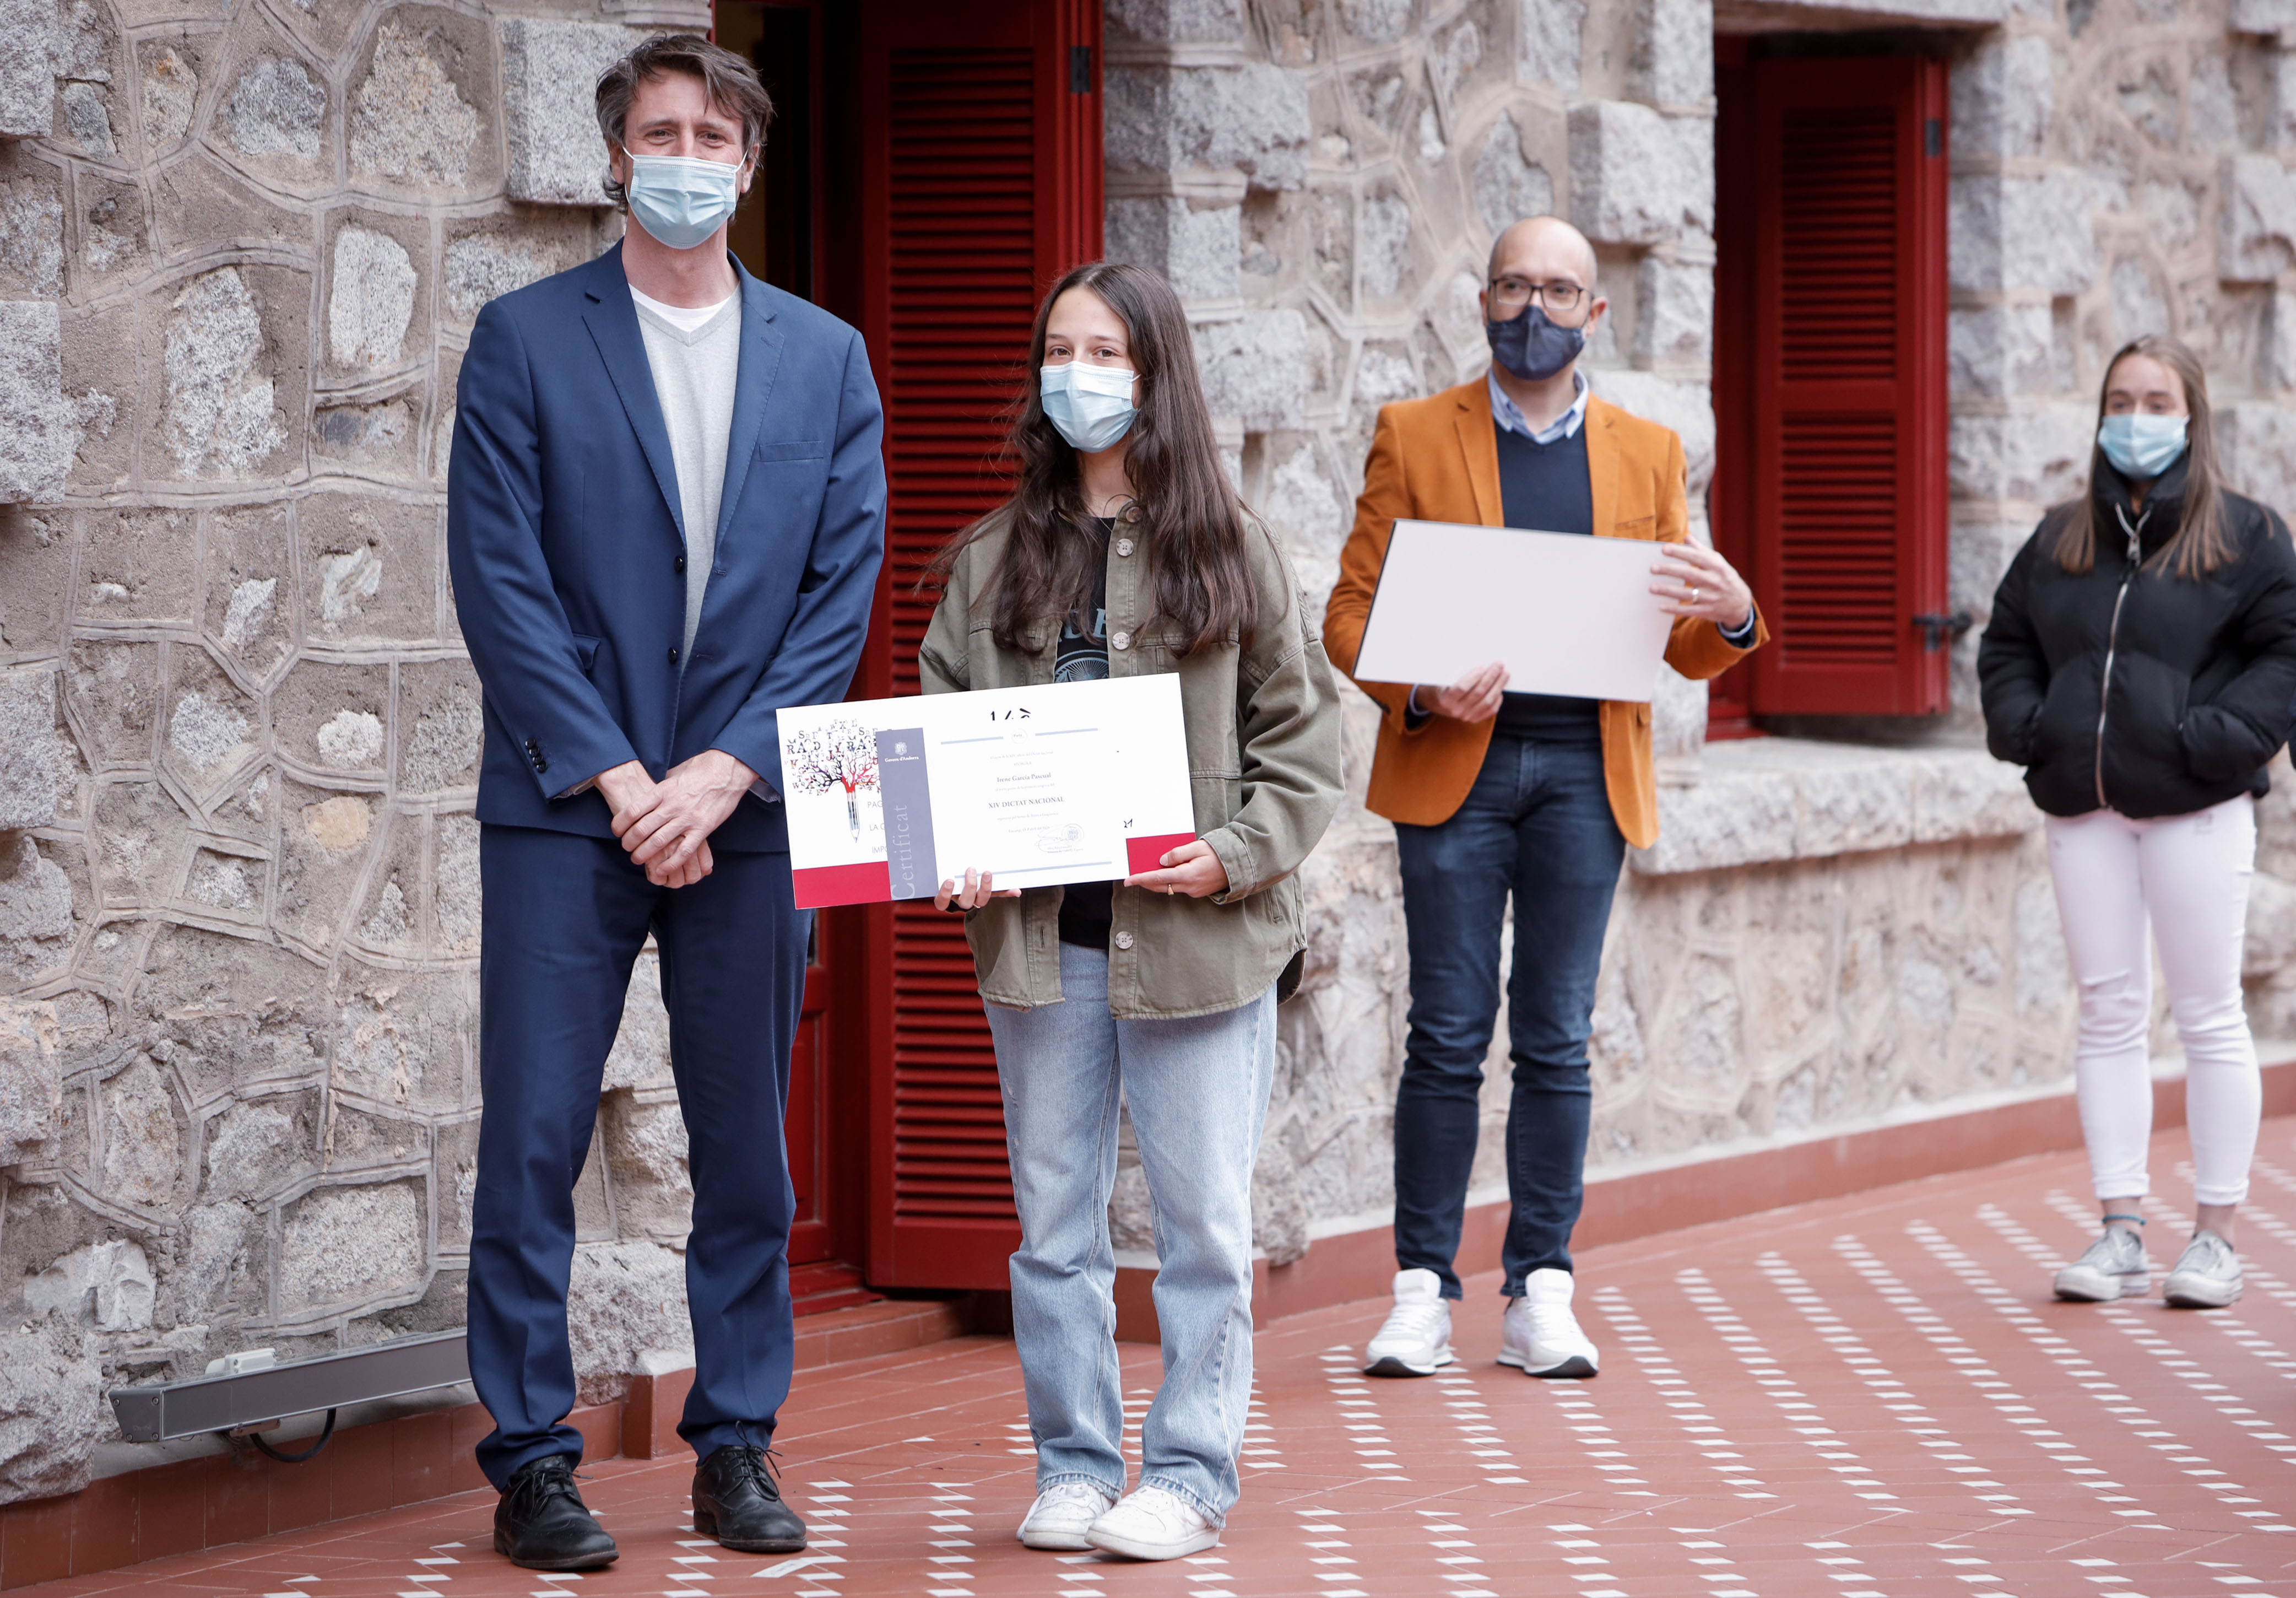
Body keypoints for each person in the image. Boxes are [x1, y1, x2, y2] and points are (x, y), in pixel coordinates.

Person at [446, 35, 885, 1570]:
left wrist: (723, 768)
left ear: (749, 162)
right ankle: (532, 1460)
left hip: (749, 806)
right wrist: (629, 776)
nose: (686, 154)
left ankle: (737, 1443)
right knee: (534, 1138)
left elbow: (839, 598)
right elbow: (499, 586)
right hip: (573, 805)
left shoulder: (827, 359)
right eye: (658, 131)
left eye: (714, 132)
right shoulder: (523, 339)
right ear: (616, 156)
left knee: (747, 1148)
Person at [919, 261, 1342, 1561]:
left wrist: (1229, 854)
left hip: (1199, 949)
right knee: (1054, 1232)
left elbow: (1311, 750)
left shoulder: (1234, 550)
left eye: (1105, 351)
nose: (1077, 375)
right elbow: (942, 739)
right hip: (1048, 954)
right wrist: (957, 845)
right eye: (1059, 349)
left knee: (1202, 1229)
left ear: (1155, 378)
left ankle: (1191, 1475)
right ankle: (1073, 1466)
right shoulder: (989, 556)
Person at [1323, 216, 1766, 1381]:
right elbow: (1347, 614)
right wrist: (1417, 687)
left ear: (1594, 313)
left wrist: (1728, 613)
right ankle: (1420, 1287)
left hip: (1585, 775)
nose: (1533, 307)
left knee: (1557, 1037)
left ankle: (1541, 1289)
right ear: (1480, 298)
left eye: (1558, 290)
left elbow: (1678, 639)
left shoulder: (1649, 452)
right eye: (1513, 284)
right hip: (1451, 771)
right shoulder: (1412, 433)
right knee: (1447, 1033)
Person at [1979, 334, 2296, 1310]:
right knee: (2109, 1016)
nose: (2137, 416)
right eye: (2122, 398)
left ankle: (2215, 1240)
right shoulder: (2061, 538)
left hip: (2198, 808)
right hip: (2086, 808)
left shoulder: (2247, 537)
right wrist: (2037, 732)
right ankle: (2120, 1232)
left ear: (2190, 418)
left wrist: (2208, 741)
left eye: (2158, 401)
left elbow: (2284, 659)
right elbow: (2007, 646)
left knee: (2207, 1016)